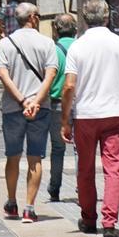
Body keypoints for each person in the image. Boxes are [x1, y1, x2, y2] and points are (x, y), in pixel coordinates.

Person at [60, 0, 119, 237]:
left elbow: (69, 85)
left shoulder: (77, 46)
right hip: (115, 113)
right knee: (112, 169)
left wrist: (65, 119)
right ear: (107, 17)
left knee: (84, 168)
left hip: (86, 115)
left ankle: (89, 218)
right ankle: (110, 222)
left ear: (84, 18)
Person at [0, 2, 58, 223]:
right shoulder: (47, 43)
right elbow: (50, 75)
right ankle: (29, 209)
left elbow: (3, 75)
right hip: (41, 108)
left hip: (13, 108)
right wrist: (36, 101)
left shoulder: (5, 43)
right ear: (33, 17)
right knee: (35, 158)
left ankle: (12, 202)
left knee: (12, 157)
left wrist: (22, 101)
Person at [46, 13, 75, 203]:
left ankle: (54, 188)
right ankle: (84, 186)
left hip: (56, 104)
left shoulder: (53, 50)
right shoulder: (82, 47)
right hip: (82, 104)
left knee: (58, 148)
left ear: (55, 29)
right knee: (82, 149)